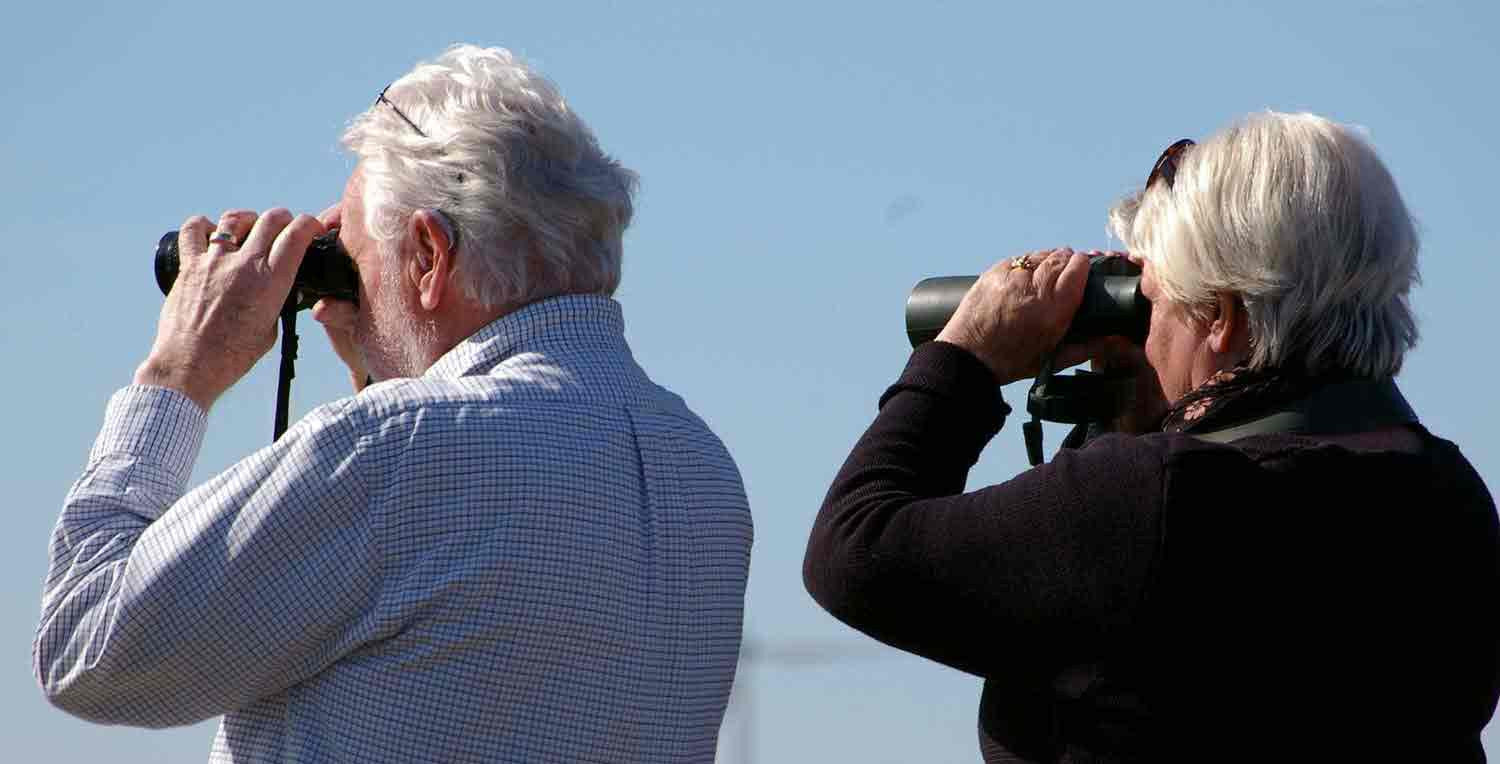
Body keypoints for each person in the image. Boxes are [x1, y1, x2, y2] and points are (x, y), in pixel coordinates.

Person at [35, 44, 753, 763]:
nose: (343, 283)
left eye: (351, 252)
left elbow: (87, 646)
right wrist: (382, 365)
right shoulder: (700, 469)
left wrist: (178, 373)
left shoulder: (394, 449)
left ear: (428, 255)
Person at [804, 112, 1499, 762]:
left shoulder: (1157, 501)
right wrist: (1145, 404)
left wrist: (964, 360)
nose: (1140, 327)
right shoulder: (1451, 500)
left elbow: (855, 551)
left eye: (1151, 301)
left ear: (1221, 316)